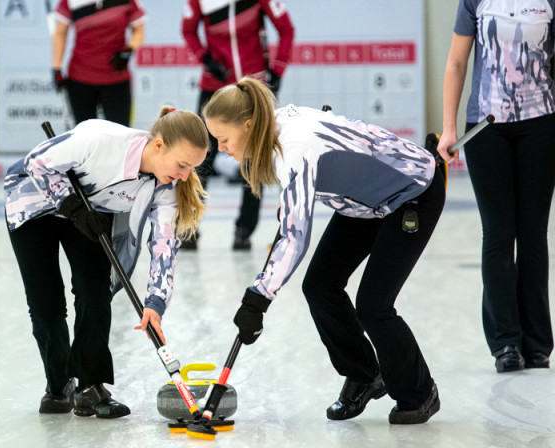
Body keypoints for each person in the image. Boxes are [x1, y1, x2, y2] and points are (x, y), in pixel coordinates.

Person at [204, 78, 445, 424]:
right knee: (319, 286)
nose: (221, 148)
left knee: (374, 305)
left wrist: (258, 298)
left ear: (248, 124)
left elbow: (295, 234)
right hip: (363, 203)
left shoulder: (293, 146)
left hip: (411, 191)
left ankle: (419, 392)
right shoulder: (273, 127)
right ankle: (364, 373)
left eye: (223, 139)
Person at [4, 107, 208, 418]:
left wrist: (155, 302)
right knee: (46, 303)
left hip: (89, 214)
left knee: (94, 290)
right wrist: (71, 206)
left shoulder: (165, 187)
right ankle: (58, 386)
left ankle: (90, 387)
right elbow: (37, 161)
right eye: (182, 165)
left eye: (191, 168)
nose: (184, 176)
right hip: (32, 201)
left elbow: (164, 246)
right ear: (158, 145)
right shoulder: (101, 140)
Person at [437, 0, 554, 374]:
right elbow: (456, 63)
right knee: (499, 234)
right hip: (486, 127)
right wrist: (450, 127)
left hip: (542, 123)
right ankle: (506, 342)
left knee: (533, 233)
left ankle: (537, 344)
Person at [181, 0, 294, 249]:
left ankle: (244, 229)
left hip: (253, 87)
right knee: (200, 156)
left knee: (254, 160)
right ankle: (189, 226)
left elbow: (287, 29)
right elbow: (187, 30)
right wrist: (205, 59)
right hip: (214, 85)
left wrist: (277, 70)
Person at [51, 0, 146, 126]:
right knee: (84, 136)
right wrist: (57, 68)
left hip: (116, 77)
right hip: (80, 78)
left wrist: (128, 49)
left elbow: (139, 30)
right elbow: (60, 33)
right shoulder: (70, 2)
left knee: (120, 134)